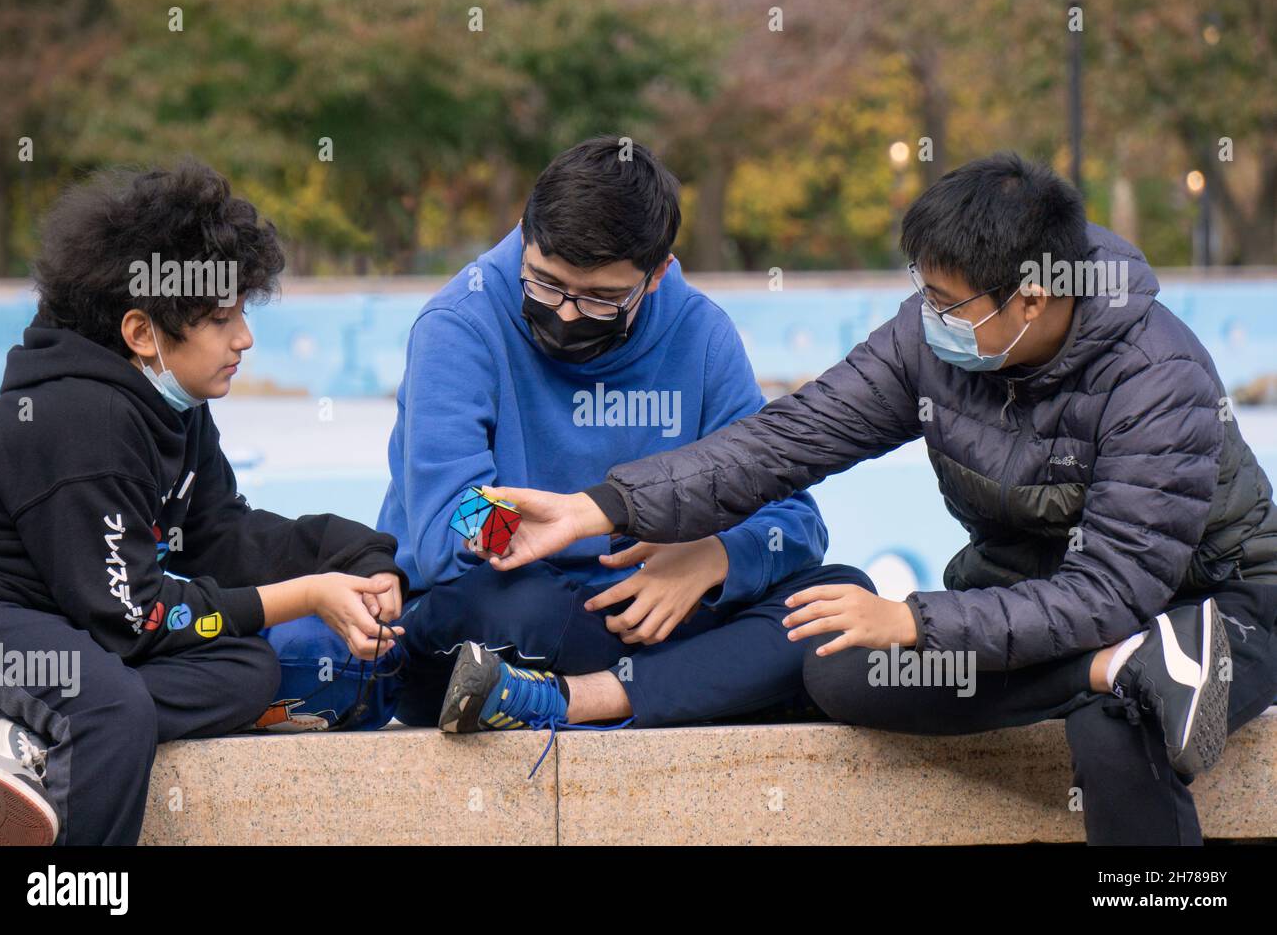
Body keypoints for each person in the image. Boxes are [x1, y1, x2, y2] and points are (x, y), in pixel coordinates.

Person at [480, 152, 1277, 844]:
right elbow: (785, 442)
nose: (927, 316)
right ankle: (1117, 667)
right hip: (1049, 606)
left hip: (1216, 604)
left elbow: (1111, 589)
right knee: (840, 669)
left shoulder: (1155, 375)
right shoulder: (928, 341)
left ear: (1030, 298)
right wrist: (602, 507)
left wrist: (916, 619)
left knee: (1118, 733)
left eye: (947, 302)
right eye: (922, 290)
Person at [363, 136, 876, 745]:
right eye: (546, 286)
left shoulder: (701, 334)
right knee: (516, 608)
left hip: (654, 610)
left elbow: (794, 521)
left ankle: (581, 699)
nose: (568, 314)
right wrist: (532, 532)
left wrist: (710, 560)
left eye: (602, 299)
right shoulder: (458, 326)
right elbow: (445, 520)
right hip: (507, 611)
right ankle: (719, 685)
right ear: (525, 234)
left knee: (839, 599)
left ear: (656, 274)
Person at [0, 160, 408, 845]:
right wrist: (304, 597)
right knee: (110, 712)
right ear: (142, 333)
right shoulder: (78, 422)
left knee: (246, 670)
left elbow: (221, 536)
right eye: (219, 319)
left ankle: (22, 736)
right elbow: (139, 620)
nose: (245, 339)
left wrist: (358, 555)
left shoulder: (169, 405)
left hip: (75, 617)